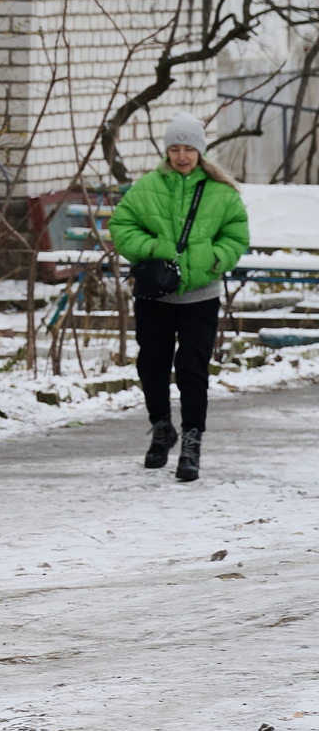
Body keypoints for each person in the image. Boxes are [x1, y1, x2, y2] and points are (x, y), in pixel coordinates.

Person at [107, 115, 249, 483]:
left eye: (188, 148)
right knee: (152, 365)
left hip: (201, 294)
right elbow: (121, 225)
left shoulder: (221, 192)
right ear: (166, 150)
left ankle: (191, 441)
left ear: (200, 151)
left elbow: (235, 235)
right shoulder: (148, 186)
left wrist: (212, 260)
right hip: (157, 294)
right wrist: (154, 249)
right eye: (174, 148)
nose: (181, 156)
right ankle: (161, 428)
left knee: (192, 369)